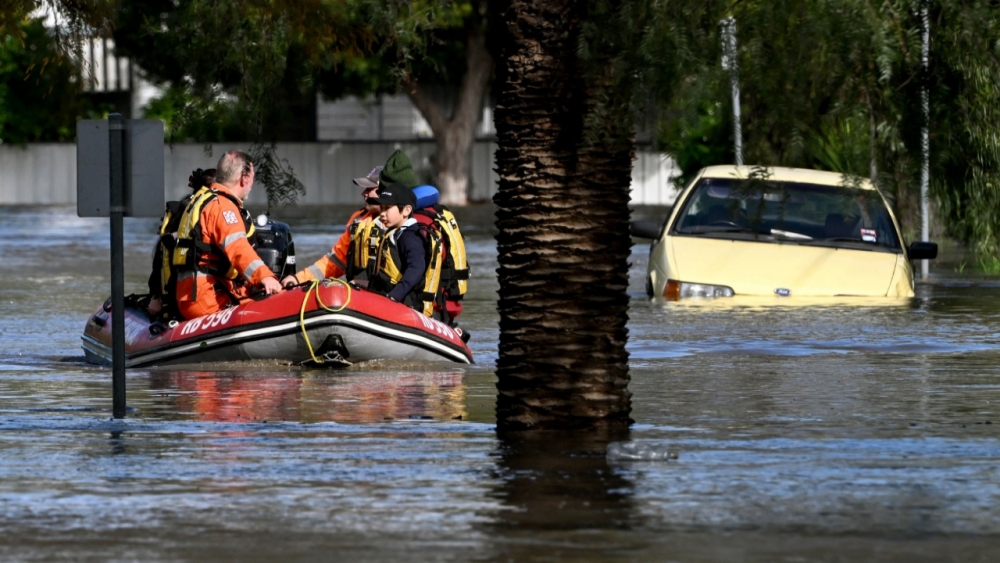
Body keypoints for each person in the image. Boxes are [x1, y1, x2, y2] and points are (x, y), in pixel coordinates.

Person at [280, 149, 423, 288]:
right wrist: (298, 278)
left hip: (392, 299)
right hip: (358, 296)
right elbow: (334, 262)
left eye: (370, 189)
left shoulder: (410, 224)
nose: (364, 194)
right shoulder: (358, 221)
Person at [174, 150, 281, 319]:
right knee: (273, 306)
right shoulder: (223, 207)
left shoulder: (202, 199)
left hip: (190, 295)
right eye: (252, 178)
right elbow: (238, 248)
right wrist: (266, 277)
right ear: (244, 178)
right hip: (208, 299)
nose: (252, 184)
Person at [366, 184, 445, 317]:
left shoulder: (410, 237)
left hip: (404, 306)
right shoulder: (395, 233)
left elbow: (416, 268)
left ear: (406, 210)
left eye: (387, 208)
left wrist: (394, 296)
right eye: (381, 209)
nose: (382, 214)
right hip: (384, 299)